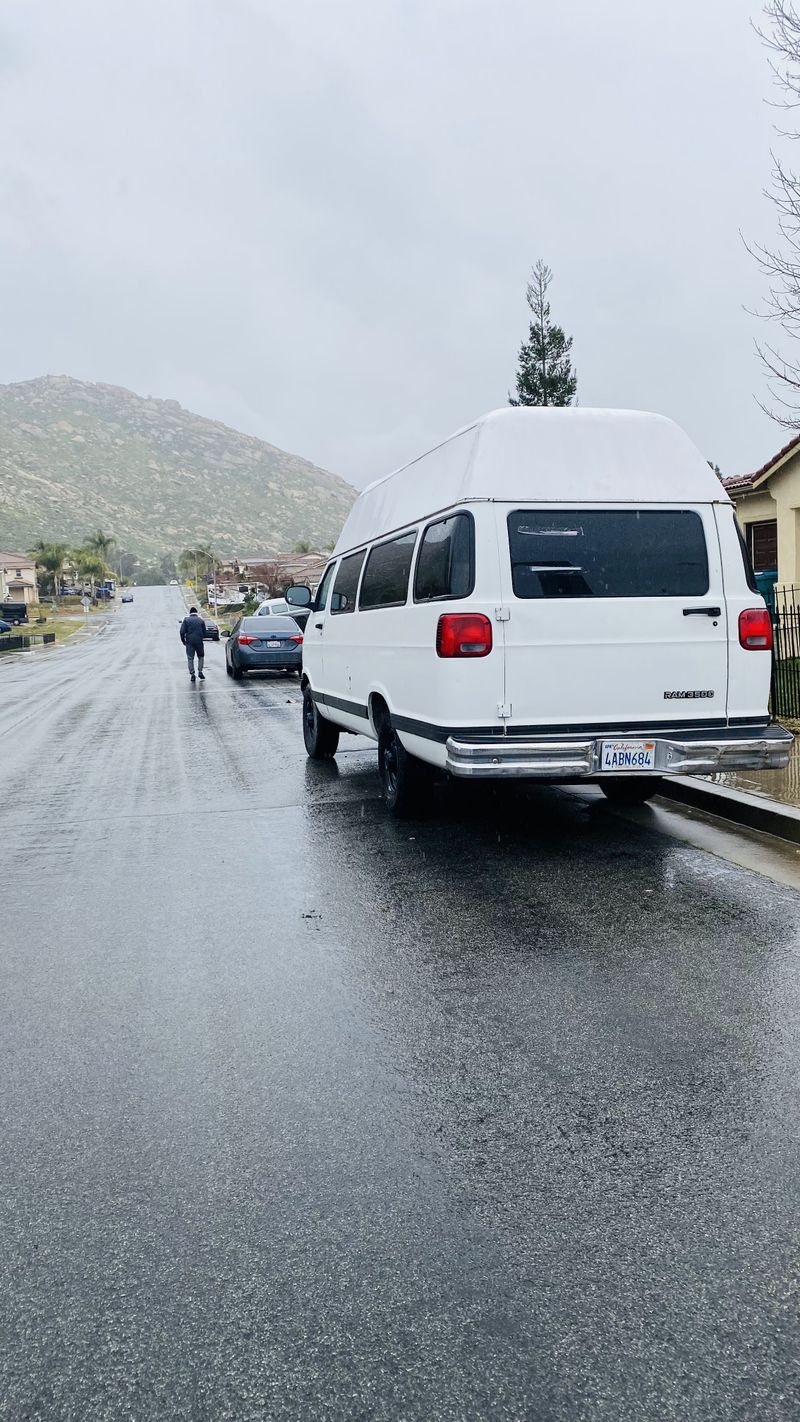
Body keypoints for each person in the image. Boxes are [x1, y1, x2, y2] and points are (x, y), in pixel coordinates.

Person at [180, 606, 206, 682]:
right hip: (199, 642)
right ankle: (200, 671)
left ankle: (192, 674)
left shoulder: (186, 620)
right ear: (196, 613)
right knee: (201, 656)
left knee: (190, 658)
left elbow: (182, 632)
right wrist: (201, 637)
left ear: (190, 613)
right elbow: (204, 632)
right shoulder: (201, 620)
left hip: (189, 642)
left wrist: (183, 640)